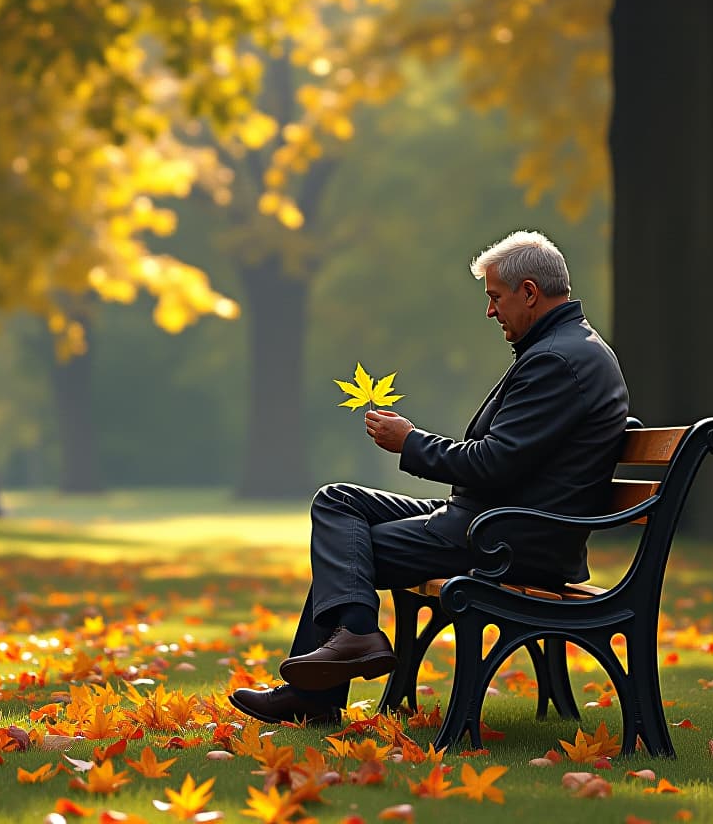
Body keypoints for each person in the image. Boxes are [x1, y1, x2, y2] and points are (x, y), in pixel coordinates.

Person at [229, 230, 629, 725]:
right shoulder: (565, 349)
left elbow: (495, 462)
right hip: (491, 519)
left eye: (495, 297)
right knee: (339, 504)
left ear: (529, 292)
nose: (490, 311)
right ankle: (349, 643)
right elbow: (506, 461)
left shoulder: (558, 360)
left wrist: (411, 442)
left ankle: (323, 683)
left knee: (351, 547)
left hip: (506, 537)